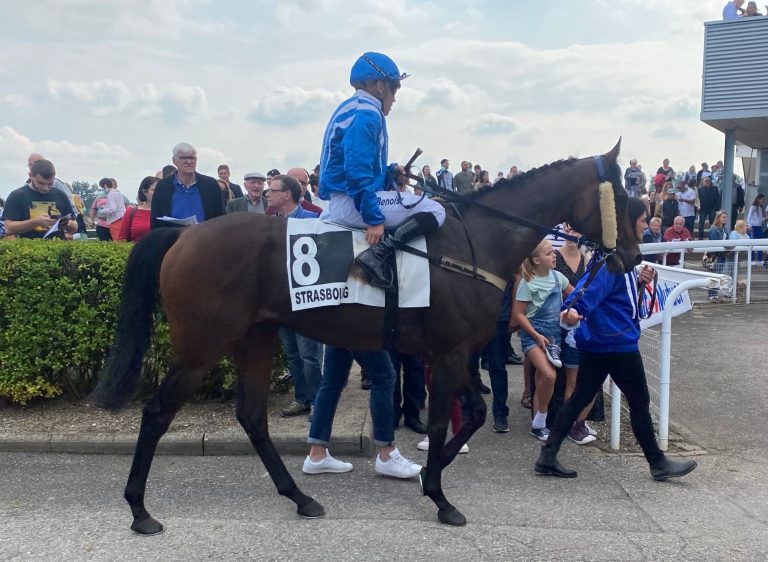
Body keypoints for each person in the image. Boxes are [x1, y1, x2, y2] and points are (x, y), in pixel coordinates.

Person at [535, 197, 697, 482]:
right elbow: (591, 291)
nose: (646, 225)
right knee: (639, 400)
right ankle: (658, 463)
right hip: (616, 344)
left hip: (601, 342)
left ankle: (547, 455)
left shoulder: (615, 257)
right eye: (643, 220)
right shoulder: (614, 260)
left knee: (580, 398)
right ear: (628, 223)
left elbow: (603, 292)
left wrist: (638, 282)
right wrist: (574, 310)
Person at [318, 52, 446, 290]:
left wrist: (389, 172)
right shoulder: (367, 114)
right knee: (436, 210)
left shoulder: (351, 107)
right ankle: (376, 256)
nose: (394, 99)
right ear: (379, 86)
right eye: (394, 90)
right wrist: (373, 219)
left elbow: (356, 163)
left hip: (342, 199)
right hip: (352, 204)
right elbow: (356, 172)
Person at [303, 348, 422, 478]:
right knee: (384, 377)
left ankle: (317, 454)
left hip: (336, 328)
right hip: (356, 328)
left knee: (332, 381)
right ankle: (387, 454)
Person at [266, 175, 323, 418]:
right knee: (291, 353)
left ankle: (319, 403)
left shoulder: (313, 220)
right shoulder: (268, 223)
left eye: (273, 190)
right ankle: (303, 398)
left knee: (309, 354)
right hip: (280, 299)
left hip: (306, 300)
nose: (268, 194)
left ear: (287, 193)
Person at [513, 239, 574, 442]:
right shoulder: (527, 282)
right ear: (537, 260)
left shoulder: (558, 278)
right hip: (533, 336)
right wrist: (535, 335)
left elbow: (575, 297)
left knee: (543, 378)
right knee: (549, 375)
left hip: (553, 337)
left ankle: (538, 424)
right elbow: (519, 314)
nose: (554, 256)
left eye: (553, 252)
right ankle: (541, 419)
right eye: (549, 254)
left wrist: (571, 311)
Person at [554, 226, 598, 445]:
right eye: (567, 229)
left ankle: (577, 422)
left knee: (589, 377)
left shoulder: (589, 258)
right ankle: (567, 423)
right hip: (560, 321)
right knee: (569, 379)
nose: (571, 234)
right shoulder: (554, 256)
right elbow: (570, 290)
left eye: (575, 230)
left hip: (583, 322)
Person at [151, 142, 224, 229]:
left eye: (192, 158)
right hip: (174, 240)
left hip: (205, 240)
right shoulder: (163, 187)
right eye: (183, 158)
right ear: (174, 161)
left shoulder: (210, 185)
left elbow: (221, 219)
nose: (189, 161)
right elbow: (156, 223)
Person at [3, 159, 77, 239]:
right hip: (28, 249)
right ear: (30, 176)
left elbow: (74, 228)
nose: (45, 188)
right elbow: (8, 228)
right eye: (41, 183)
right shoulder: (17, 196)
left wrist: (70, 224)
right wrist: (35, 222)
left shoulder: (60, 195)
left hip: (57, 247)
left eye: (50, 183)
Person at [117, 176, 158, 242]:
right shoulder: (131, 212)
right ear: (144, 191)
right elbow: (121, 239)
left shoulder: (166, 213)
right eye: (154, 190)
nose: (158, 192)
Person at [708, 210, 730, 302]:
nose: (725, 219)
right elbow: (715, 243)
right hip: (716, 256)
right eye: (723, 217)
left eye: (726, 217)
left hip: (723, 255)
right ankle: (712, 295)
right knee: (714, 275)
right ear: (718, 218)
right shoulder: (713, 229)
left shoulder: (724, 229)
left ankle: (715, 294)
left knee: (718, 275)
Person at [746, 194, 765, 263]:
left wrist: (764, 219)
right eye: (762, 199)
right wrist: (749, 226)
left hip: (759, 227)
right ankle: (752, 260)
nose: (763, 200)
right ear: (758, 199)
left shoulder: (760, 208)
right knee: (752, 243)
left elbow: (759, 219)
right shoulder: (753, 207)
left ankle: (760, 259)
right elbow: (748, 217)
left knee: (760, 243)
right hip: (753, 227)